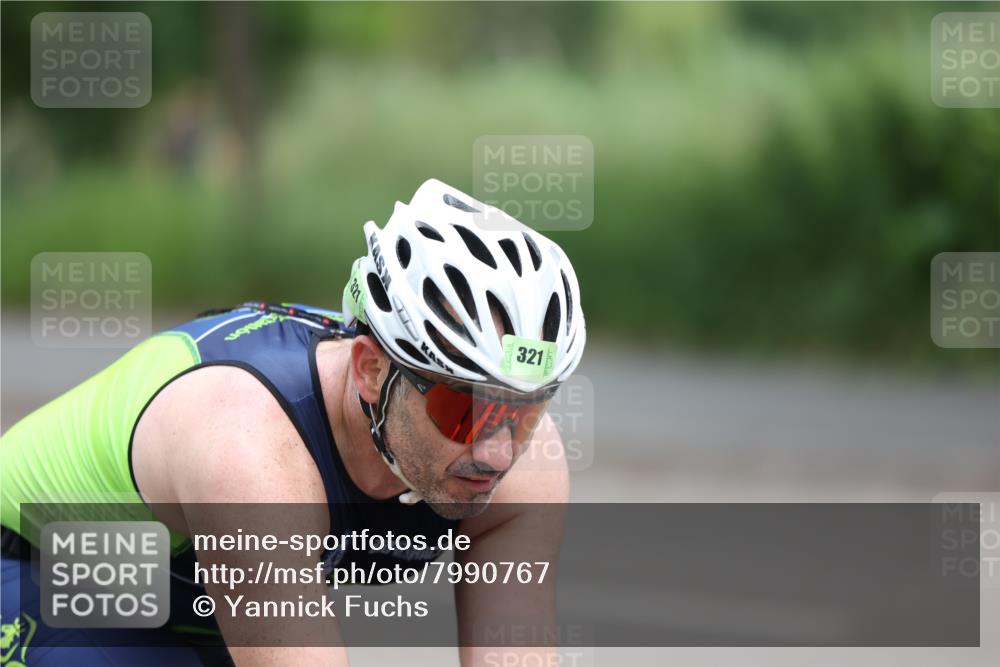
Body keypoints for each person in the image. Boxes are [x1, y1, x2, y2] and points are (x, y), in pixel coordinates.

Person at [0, 179, 587, 666]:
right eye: (463, 410)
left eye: (524, 413)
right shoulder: (247, 448)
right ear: (370, 371)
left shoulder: (525, 470)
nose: (496, 452)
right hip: (51, 575)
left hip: (196, 600)